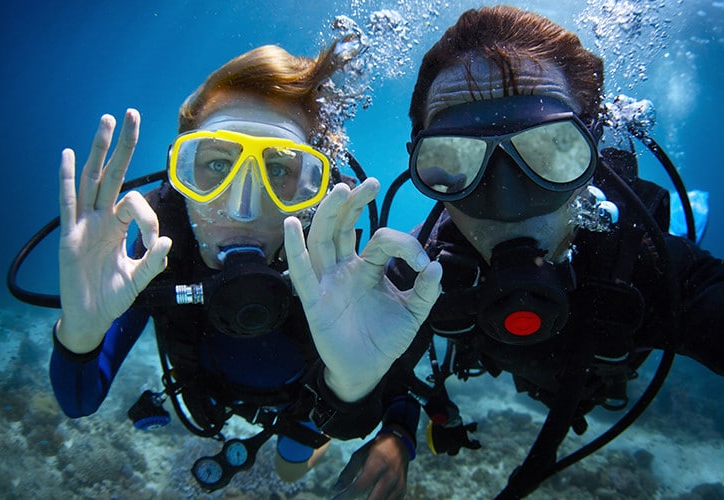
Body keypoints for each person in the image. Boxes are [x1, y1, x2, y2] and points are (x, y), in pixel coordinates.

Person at [380, 5, 724, 499]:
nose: (507, 205)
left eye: (549, 150)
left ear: (591, 150)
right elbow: (378, 371)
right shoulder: (420, 271)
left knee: (686, 233)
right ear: (423, 166)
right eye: (452, 160)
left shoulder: (649, 268)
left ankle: (696, 211)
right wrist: (393, 428)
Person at [50, 40, 441, 495]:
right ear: (183, 176)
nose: (242, 209)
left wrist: (377, 415)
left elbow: (393, 369)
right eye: (217, 164)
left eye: (279, 172)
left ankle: (304, 447)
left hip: (305, 404)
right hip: (209, 395)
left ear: (317, 190)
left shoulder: (336, 250)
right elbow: (79, 400)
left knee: (291, 466)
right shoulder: (158, 244)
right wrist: (80, 332)